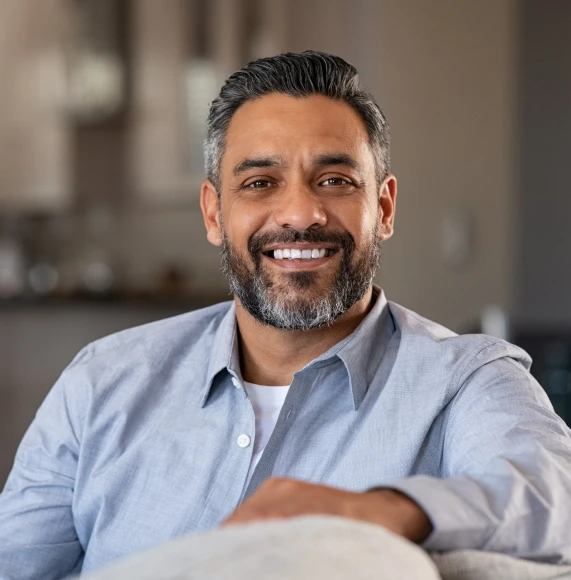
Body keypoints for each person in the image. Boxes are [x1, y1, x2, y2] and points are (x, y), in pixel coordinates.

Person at [1, 50, 571, 579]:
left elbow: (553, 497)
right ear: (214, 213)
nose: (300, 212)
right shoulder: (101, 381)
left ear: (385, 207)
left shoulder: (466, 380)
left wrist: (383, 512)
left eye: (335, 180)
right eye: (259, 183)